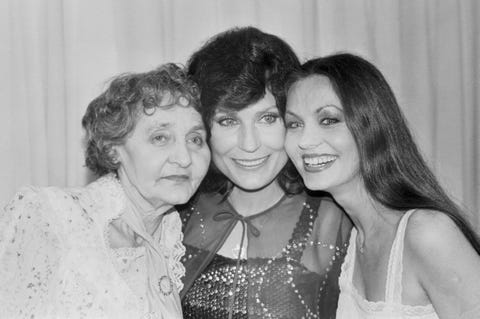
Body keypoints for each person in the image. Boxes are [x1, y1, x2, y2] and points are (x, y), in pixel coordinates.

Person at [0, 64, 211, 318]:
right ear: (113, 149)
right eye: (160, 138)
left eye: (195, 139)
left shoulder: (172, 238)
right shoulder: (50, 216)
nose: (184, 158)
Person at [284, 53, 480, 318]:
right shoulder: (352, 238)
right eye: (294, 124)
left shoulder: (427, 232)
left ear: (371, 126)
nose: (305, 140)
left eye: (329, 120)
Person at [179, 26, 352, 319]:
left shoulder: (340, 222)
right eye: (227, 121)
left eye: (268, 118)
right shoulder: (173, 216)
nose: (250, 144)